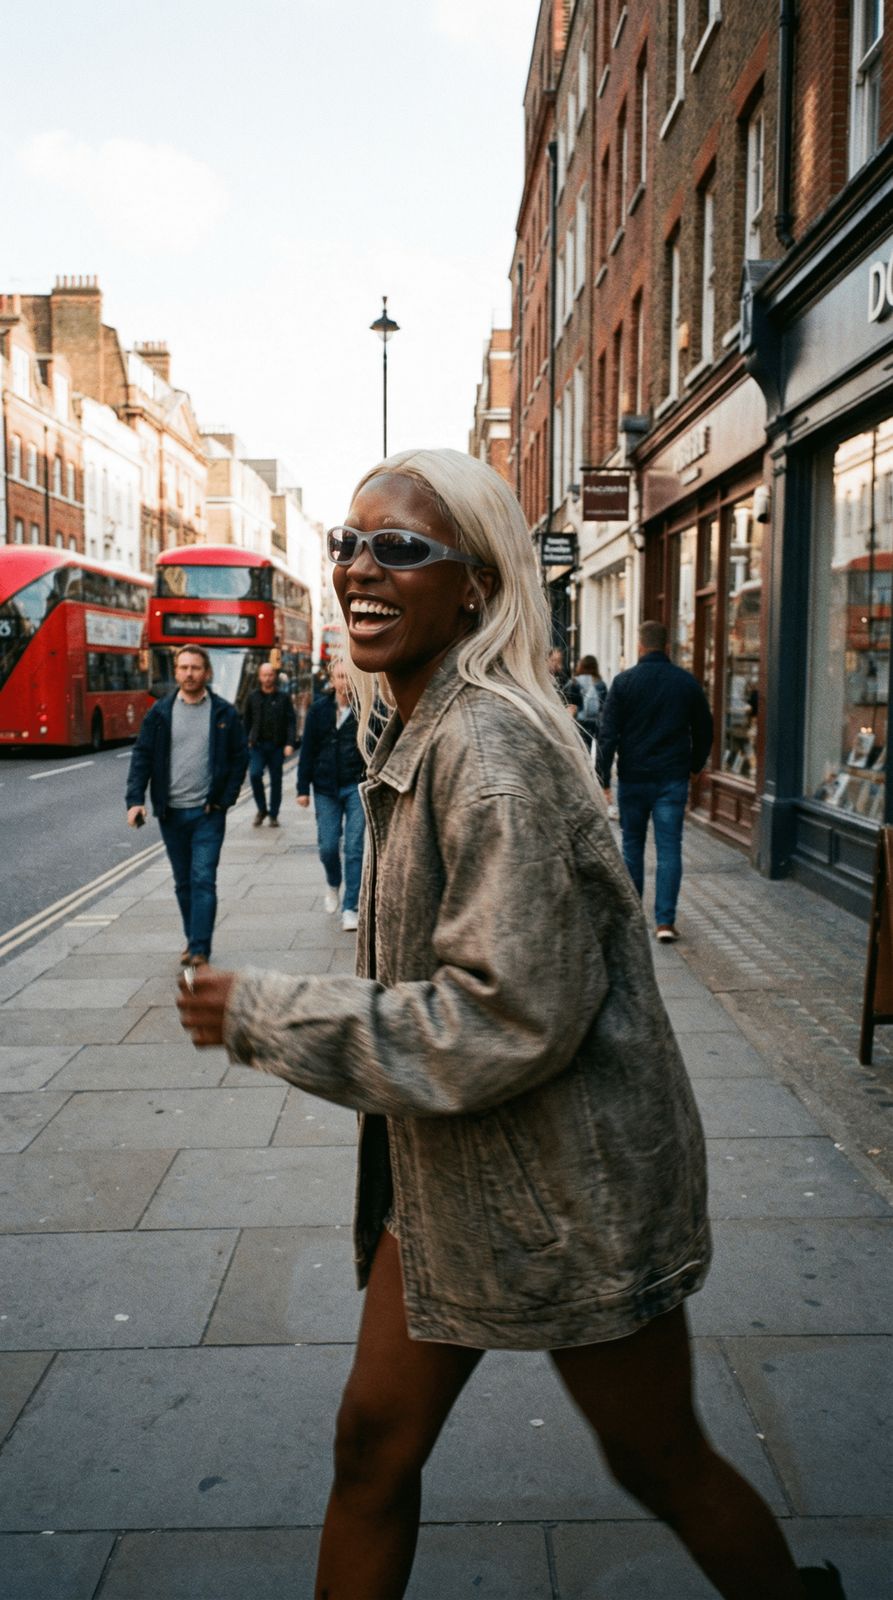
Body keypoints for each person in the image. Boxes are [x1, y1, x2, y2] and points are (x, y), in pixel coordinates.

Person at [177, 449, 843, 1600]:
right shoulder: (422, 726)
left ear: (475, 584)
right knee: (371, 1449)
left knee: (659, 1458)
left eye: (398, 548)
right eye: (347, 543)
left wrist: (268, 1013)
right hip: (448, 1189)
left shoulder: (486, 752)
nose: (357, 570)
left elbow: (501, 1017)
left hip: (561, 1197)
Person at [125, 644, 248, 966]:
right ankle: (193, 939)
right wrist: (135, 800)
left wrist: (224, 799)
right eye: (183, 667)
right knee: (183, 883)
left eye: (195, 668)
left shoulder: (223, 712)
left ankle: (199, 949)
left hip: (208, 813)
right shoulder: (160, 713)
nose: (189, 673)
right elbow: (142, 756)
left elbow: (240, 757)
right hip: (171, 813)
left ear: (206, 673)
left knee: (203, 878)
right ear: (175, 671)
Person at [597, 619, 714, 944]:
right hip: (671, 779)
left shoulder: (623, 683)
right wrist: (694, 766)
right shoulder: (685, 683)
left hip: (633, 779)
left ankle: (634, 916)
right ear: (667, 647)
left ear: (639, 646)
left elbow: (608, 735)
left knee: (632, 847)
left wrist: (603, 777)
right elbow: (705, 728)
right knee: (669, 849)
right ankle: (664, 922)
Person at [296, 658, 365, 932]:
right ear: (332, 679)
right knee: (327, 846)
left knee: (354, 847)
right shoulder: (318, 710)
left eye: (349, 677)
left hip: (355, 784)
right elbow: (308, 751)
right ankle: (333, 882)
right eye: (340, 677)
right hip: (324, 787)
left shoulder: (366, 708)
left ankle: (351, 907)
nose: (344, 682)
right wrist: (302, 789)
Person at [243, 661, 297, 828]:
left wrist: (289, 743)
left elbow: (291, 722)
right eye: (264, 675)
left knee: (276, 781)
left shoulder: (283, 698)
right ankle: (262, 809)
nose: (267, 678)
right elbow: (246, 721)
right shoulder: (252, 697)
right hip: (257, 745)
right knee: (254, 775)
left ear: (274, 676)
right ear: (259, 677)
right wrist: (246, 741)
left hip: (276, 746)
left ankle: (273, 814)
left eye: (270, 675)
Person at [572, 652, 608, 748]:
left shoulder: (575, 682)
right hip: (595, 722)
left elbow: (571, 703)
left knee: (581, 750)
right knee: (594, 750)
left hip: (579, 721)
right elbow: (604, 707)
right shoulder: (601, 684)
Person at [547, 644, 583, 717]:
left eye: (559, 661)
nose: (556, 664)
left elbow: (576, 705)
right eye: (553, 660)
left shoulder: (566, 679)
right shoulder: (543, 678)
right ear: (547, 660)